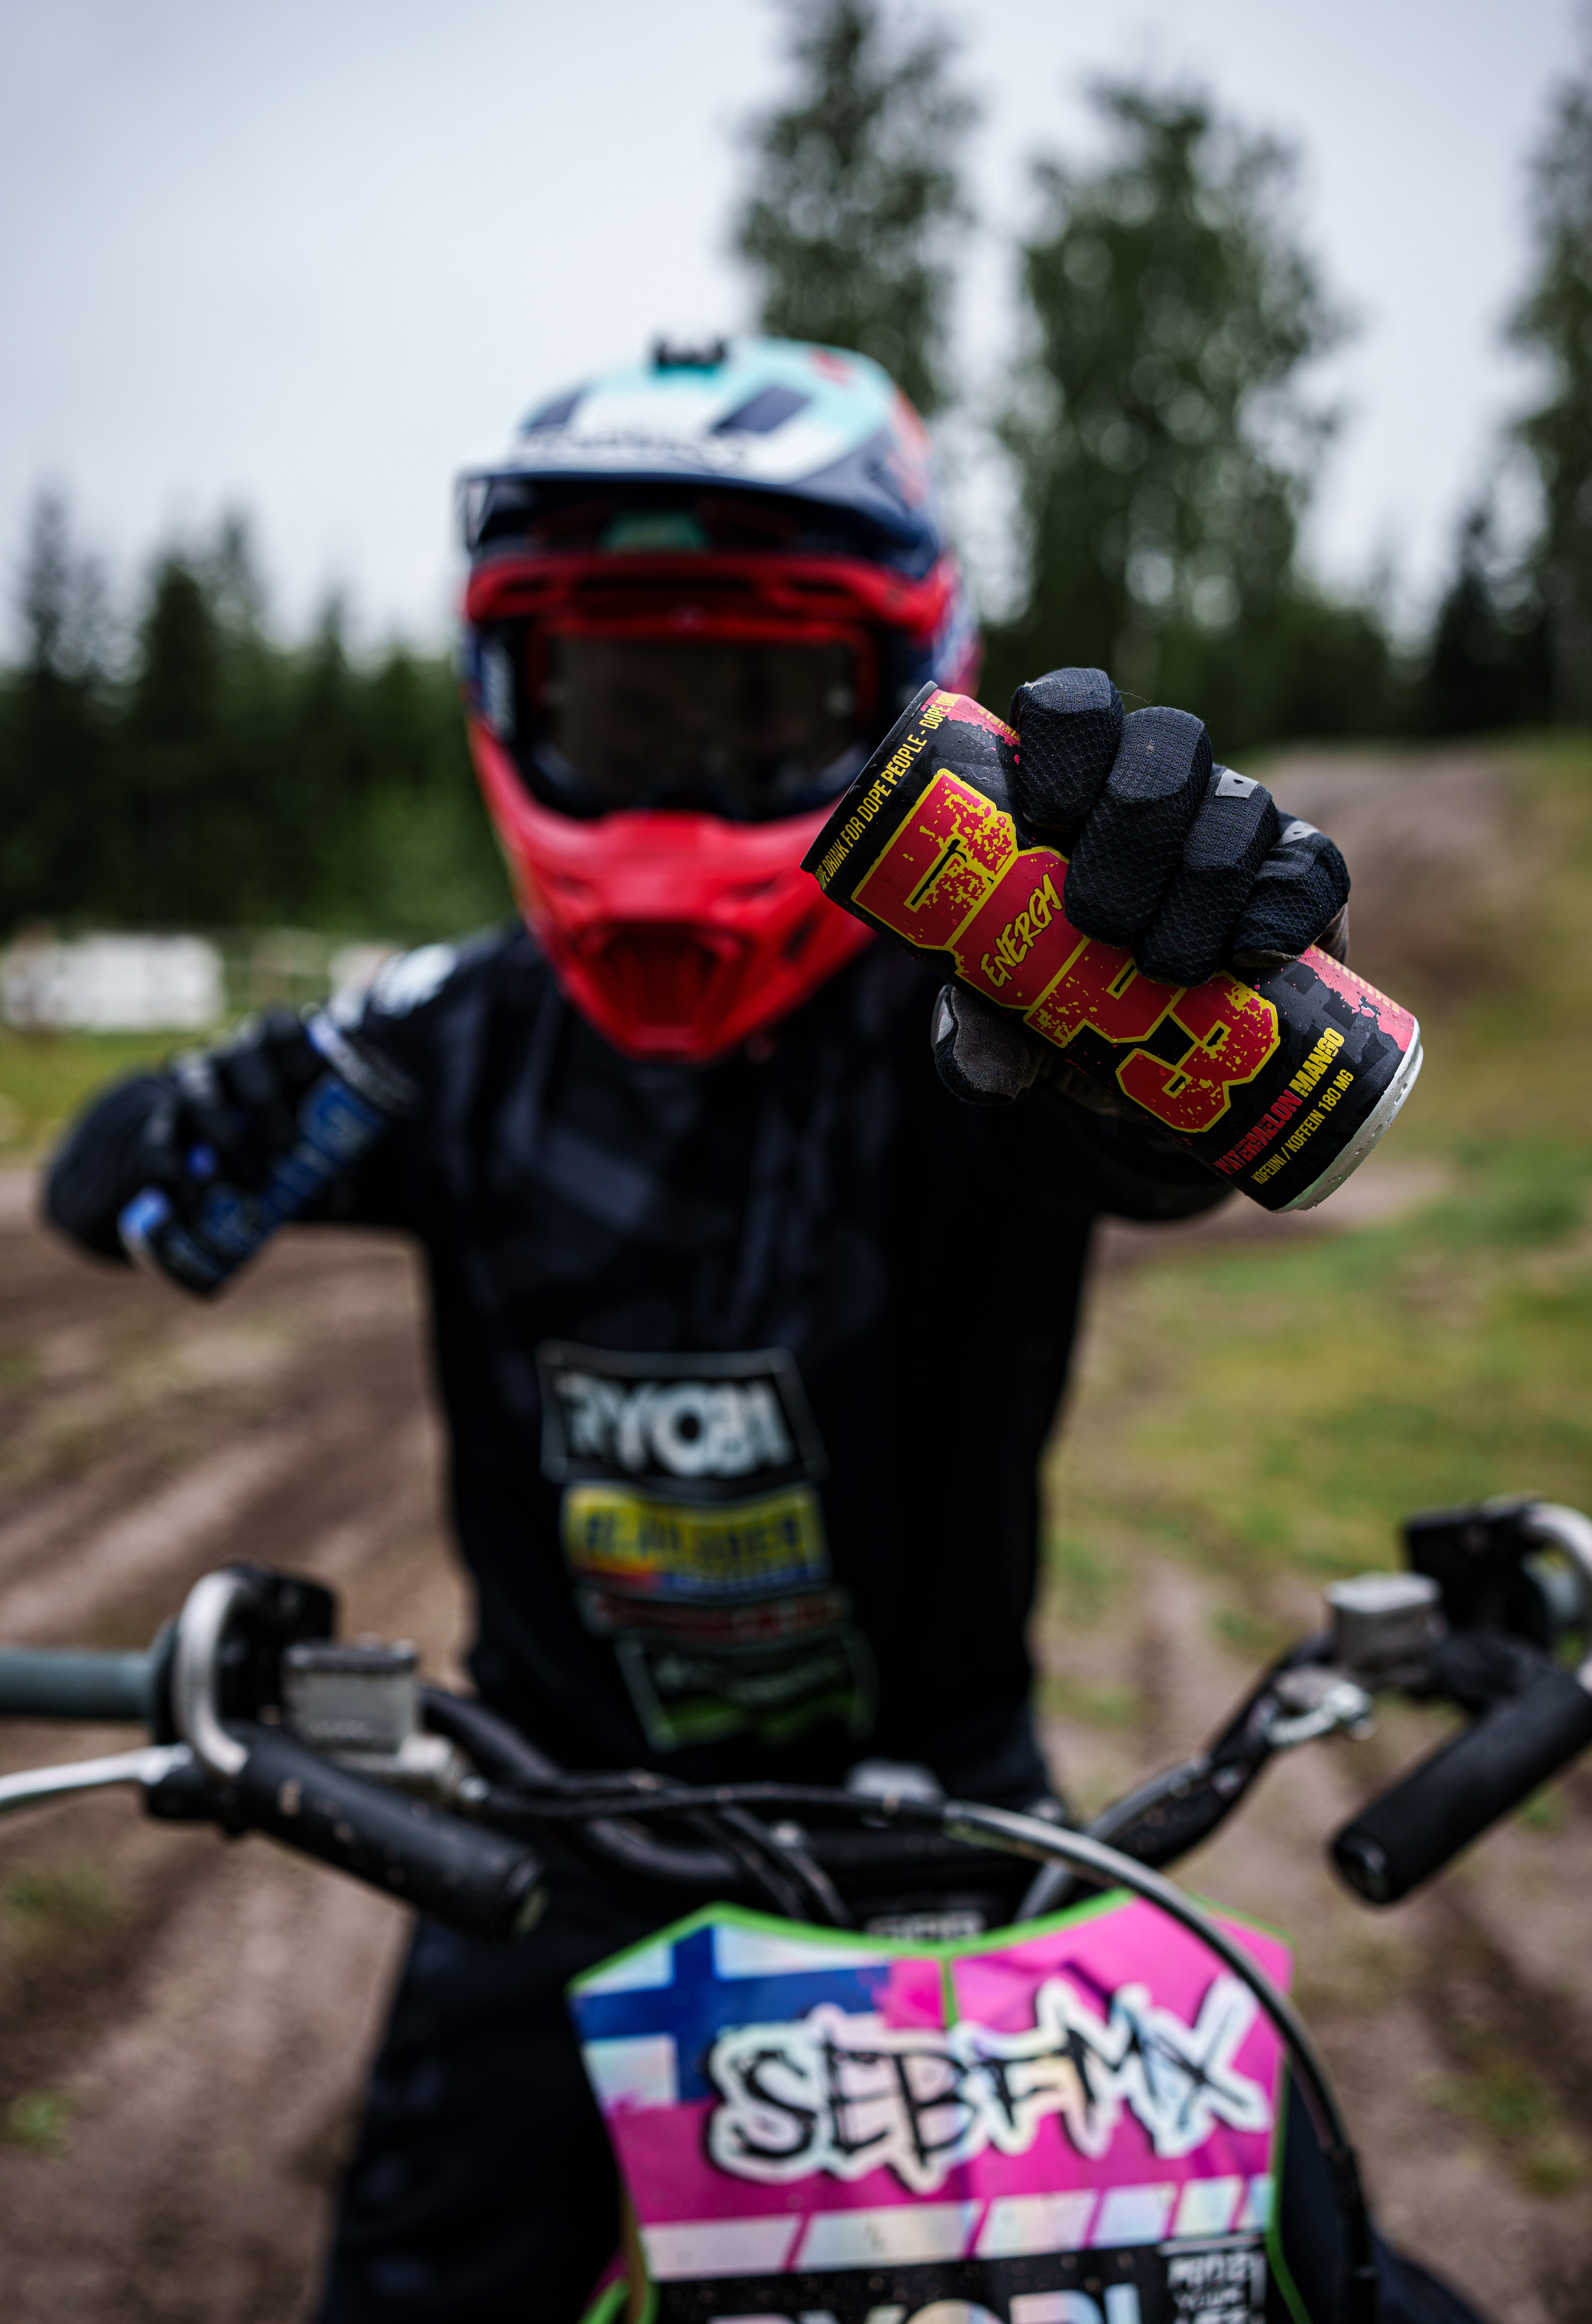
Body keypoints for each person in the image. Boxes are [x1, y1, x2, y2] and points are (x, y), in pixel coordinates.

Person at [45, 336, 1413, 2324]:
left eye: (759, 707)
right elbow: (117, 1186)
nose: (685, 766)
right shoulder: (453, 1036)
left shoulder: (983, 1016)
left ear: (901, 692)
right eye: (625, 704)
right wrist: (222, 1103)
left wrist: (1179, 991)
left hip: (939, 1841)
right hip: (555, 1841)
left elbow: (1128, 1151)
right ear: (518, 694)